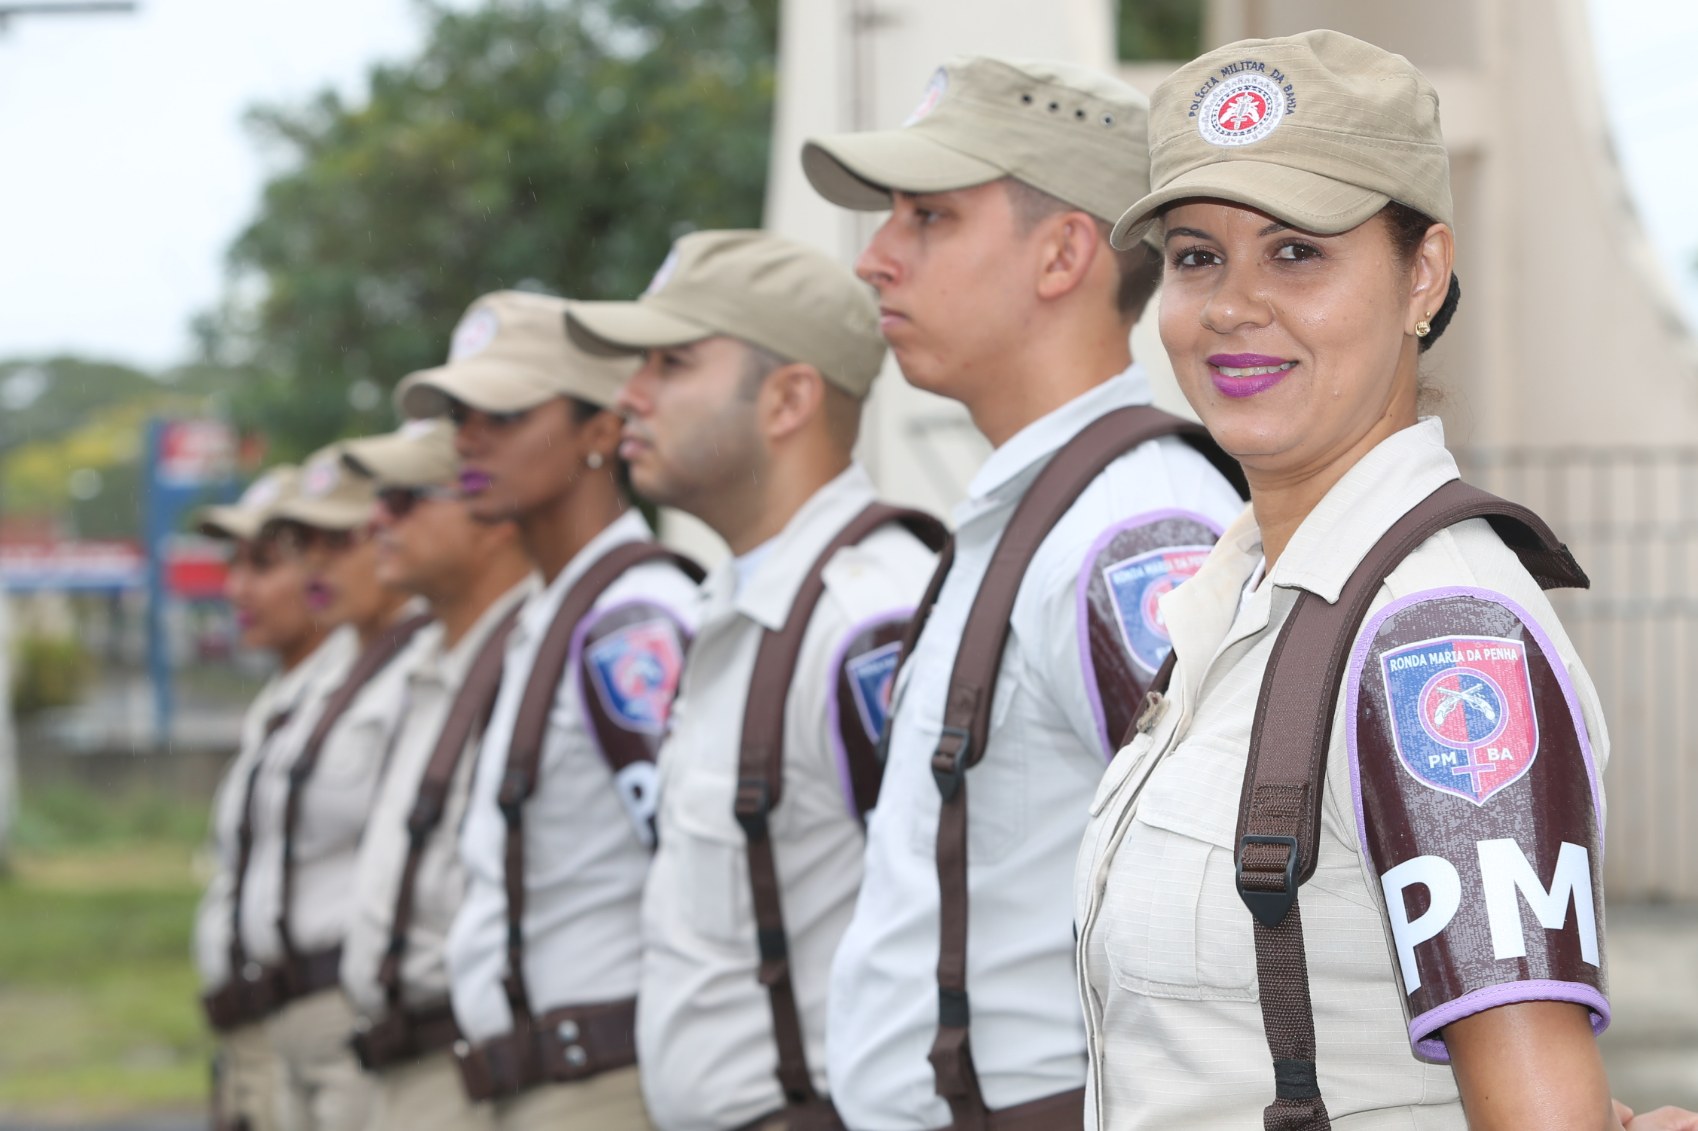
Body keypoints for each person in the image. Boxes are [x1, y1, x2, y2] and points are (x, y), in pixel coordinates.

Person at [1074, 29, 1696, 1131]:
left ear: (1424, 274)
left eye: (1298, 252)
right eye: (1196, 255)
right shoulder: (1241, 603)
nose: (1232, 306)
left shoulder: (1435, 634)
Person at [802, 55, 1245, 1129]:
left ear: (1061, 256)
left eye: (928, 219)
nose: (873, 260)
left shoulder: (1128, 533)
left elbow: (1225, 915)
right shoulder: (1047, 506)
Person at [565, 230, 945, 1131]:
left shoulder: (865, 619)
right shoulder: (740, 600)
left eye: (671, 363)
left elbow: (948, 927)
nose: (629, 397)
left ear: (787, 399)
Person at [396, 290, 700, 1130]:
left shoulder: (628, 623)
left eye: (504, 411)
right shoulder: (556, 610)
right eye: (459, 412)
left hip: (599, 1083)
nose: (467, 436)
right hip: (535, 1082)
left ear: (602, 430)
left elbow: (695, 873)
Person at [337, 419, 535, 1131]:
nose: (376, 521)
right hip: (400, 1055)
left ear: (491, 517)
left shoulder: (537, 656)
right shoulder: (423, 665)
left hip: (467, 1060)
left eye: (405, 498)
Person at [249, 443, 432, 1131]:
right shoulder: (333, 670)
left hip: (357, 1004)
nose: (317, 562)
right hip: (294, 1007)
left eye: (339, 539)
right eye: (305, 543)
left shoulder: (425, 663)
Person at [194, 465, 346, 1131]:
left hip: (317, 1021)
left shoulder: (353, 693)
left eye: (264, 564)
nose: (238, 589)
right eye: (234, 565)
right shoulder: (284, 700)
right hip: (256, 1028)